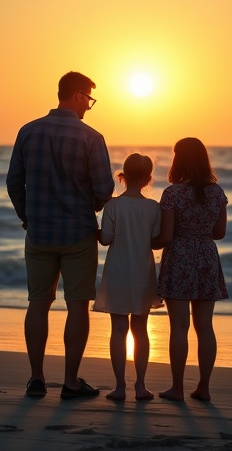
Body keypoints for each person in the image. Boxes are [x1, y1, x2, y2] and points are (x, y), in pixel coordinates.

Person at [6, 71, 114, 399]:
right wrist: (91, 207)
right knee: (77, 307)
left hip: (39, 232)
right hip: (78, 233)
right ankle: (70, 381)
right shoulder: (91, 138)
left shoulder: (28, 131)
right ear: (79, 95)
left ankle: (36, 379)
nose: (90, 108)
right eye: (90, 100)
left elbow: (14, 182)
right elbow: (104, 189)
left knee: (38, 302)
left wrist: (28, 215)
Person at [151, 137, 228, 402]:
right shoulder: (217, 192)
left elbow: (166, 236)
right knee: (205, 326)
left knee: (179, 326)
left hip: (180, 257)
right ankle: (204, 388)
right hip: (206, 256)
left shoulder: (172, 193)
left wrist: (147, 243)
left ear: (179, 159)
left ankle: (177, 388)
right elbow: (219, 233)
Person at [93, 153, 162, 401]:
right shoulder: (153, 208)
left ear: (122, 176)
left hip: (118, 271)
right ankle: (141, 385)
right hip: (143, 272)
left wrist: (94, 229)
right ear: (148, 179)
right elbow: (155, 242)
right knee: (140, 330)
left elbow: (106, 239)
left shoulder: (112, 206)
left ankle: (120, 386)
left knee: (118, 329)